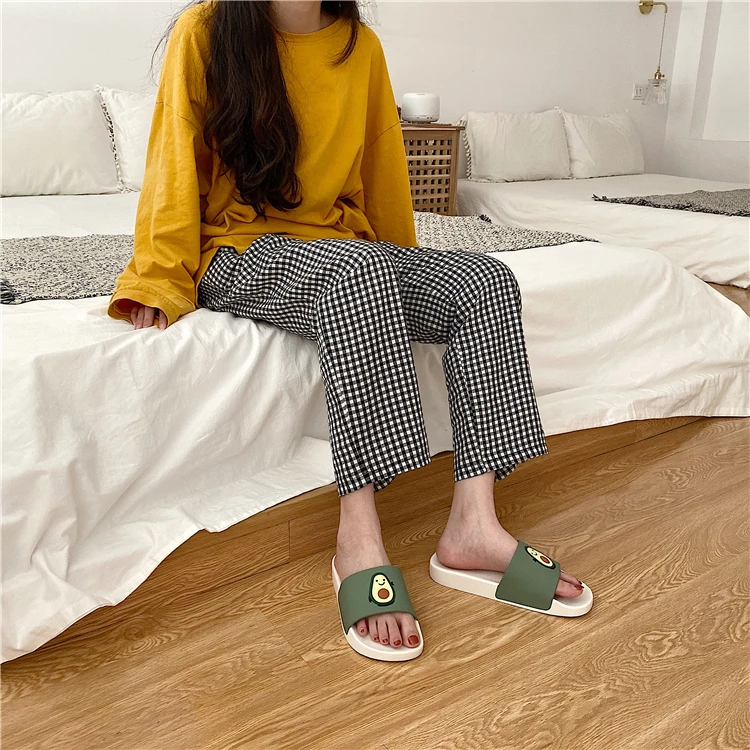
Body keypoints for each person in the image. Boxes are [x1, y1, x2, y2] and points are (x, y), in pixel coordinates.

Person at [107, 0, 587, 660]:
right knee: (360, 272)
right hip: (238, 250)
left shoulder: (359, 46)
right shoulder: (206, 30)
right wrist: (159, 277)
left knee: (484, 280)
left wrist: (407, 275)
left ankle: (473, 527)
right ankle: (357, 535)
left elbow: (384, 171)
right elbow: (172, 163)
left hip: (342, 249)